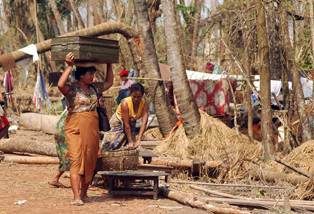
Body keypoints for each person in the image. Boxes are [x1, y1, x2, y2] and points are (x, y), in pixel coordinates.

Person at [57, 52, 113, 206]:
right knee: (76, 160)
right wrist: (69, 66)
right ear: (81, 75)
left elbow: (109, 82)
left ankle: (84, 193)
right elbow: (60, 85)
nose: (93, 77)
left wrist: (109, 64)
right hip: (75, 125)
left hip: (92, 127)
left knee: (90, 160)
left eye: (93, 73)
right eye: (90, 74)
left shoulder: (95, 88)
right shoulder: (72, 88)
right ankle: (76, 196)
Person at [101, 82, 149, 152]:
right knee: (109, 146)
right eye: (134, 97)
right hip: (118, 122)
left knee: (131, 147)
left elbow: (144, 123)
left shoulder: (144, 104)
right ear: (130, 94)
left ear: (142, 95)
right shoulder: (125, 103)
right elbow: (126, 124)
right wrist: (130, 141)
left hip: (131, 123)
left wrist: (139, 139)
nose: (136, 99)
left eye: (139, 97)